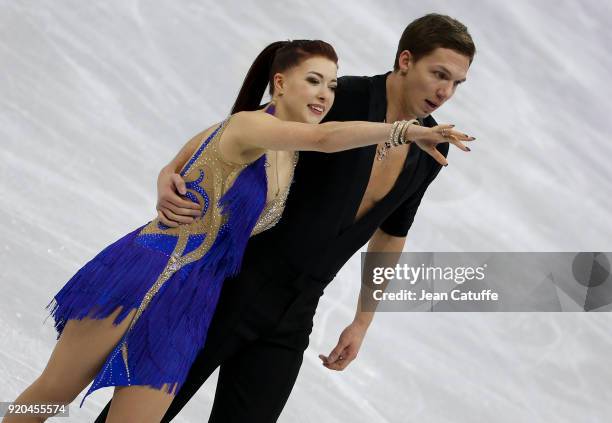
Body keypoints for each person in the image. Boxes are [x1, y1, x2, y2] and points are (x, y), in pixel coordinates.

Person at [3, 38, 470, 423]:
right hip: (152, 271)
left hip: (196, 301)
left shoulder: (292, 146)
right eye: (315, 82)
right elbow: (305, 137)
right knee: (53, 397)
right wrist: (169, 171)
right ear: (280, 82)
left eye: (328, 84)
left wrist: (363, 320)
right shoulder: (273, 124)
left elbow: (387, 227)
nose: (325, 94)